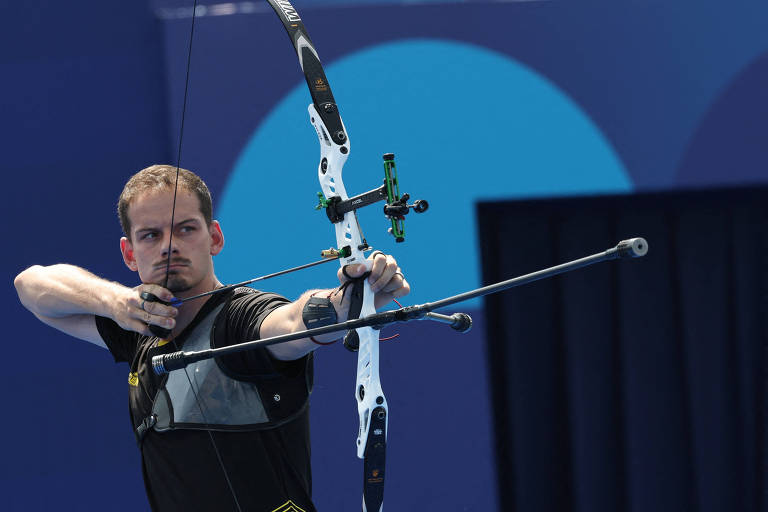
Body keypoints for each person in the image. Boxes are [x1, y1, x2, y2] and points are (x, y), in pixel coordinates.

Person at [13, 164, 409, 512]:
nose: (169, 245)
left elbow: (292, 322)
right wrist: (116, 302)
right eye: (150, 235)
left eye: (186, 228)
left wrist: (349, 300)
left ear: (214, 237)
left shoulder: (240, 318)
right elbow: (31, 286)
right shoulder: (138, 330)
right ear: (129, 254)